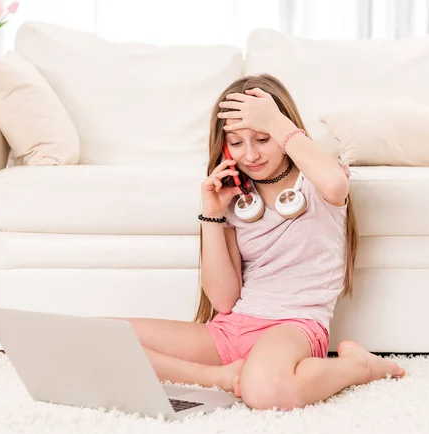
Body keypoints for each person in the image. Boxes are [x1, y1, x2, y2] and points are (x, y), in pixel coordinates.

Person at [111, 74, 405, 411]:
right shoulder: (237, 197)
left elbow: (337, 186)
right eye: (236, 143)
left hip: (293, 326)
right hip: (232, 327)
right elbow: (223, 300)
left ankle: (359, 366)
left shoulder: (316, 178)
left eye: (263, 138)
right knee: (99, 337)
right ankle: (224, 378)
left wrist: (275, 120)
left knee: (267, 393)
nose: (250, 155)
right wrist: (212, 214)